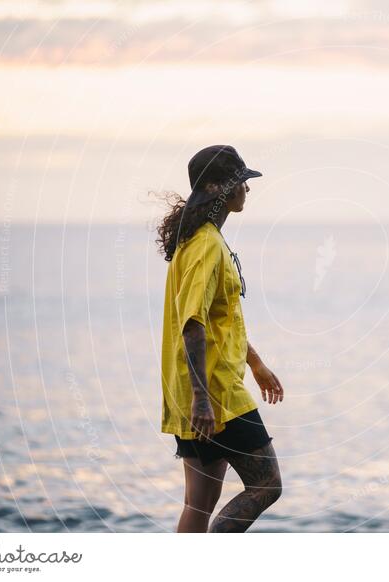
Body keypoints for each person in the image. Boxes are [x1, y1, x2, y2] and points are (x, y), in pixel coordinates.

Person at [156, 145, 284, 533]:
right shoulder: (207, 246)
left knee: (199, 503)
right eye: (240, 182)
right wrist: (202, 399)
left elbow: (217, 319)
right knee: (266, 485)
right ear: (217, 188)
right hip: (215, 396)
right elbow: (193, 324)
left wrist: (255, 363)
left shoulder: (195, 241)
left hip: (193, 393)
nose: (247, 190)